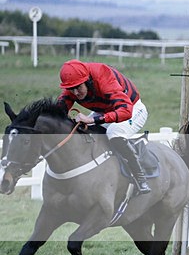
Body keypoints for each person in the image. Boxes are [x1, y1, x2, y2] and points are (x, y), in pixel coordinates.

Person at [57, 59, 151, 194]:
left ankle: (140, 177)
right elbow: (58, 110)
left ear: (87, 81)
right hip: (106, 110)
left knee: (114, 132)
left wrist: (93, 119)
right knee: (82, 130)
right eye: (71, 89)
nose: (76, 92)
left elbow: (125, 111)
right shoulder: (73, 87)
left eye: (78, 87)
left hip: (133, 109)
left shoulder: (102, 76)